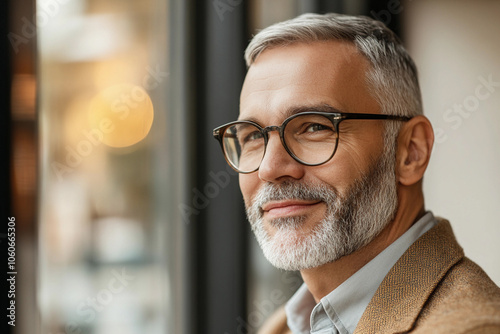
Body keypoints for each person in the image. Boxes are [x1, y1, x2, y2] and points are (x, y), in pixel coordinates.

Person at [213, 13, 500, 334]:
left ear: (411, 152)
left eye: (314, 127)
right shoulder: (287, 325)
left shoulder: (475, 327)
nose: (269, 168)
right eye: (253, 136)